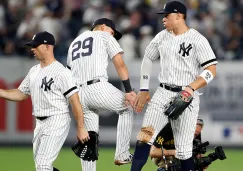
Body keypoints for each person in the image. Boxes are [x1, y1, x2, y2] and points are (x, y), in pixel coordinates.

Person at [131, 1, 217, 171]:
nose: (163, 19)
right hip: (163, 92)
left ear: (178, 16)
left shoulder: (197, 39)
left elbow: (211, 69)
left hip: (187, 97)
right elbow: (148, 57)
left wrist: (192, 87)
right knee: (144, 138)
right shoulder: (162, 36)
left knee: (184, 152)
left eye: (166, 15)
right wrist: (144, 88)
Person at [0, 31, 89, 171]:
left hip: (57, 119)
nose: (32, 49)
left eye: (36, 46)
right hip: (40, 123)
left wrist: (81, 128)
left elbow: (75, 101)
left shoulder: (61, 72)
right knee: (41, 166)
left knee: (43, 164)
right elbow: (20, 94)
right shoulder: (34, 71)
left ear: (47, 47)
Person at [66, 18, 136, 171]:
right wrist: (129, 91)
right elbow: (120, 64)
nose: (112, 35)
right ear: (103, 27)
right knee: (127, 107)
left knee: (89, 141)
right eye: (112, 32)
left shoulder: (74, 43)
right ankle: (122, 154)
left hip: (78, 94)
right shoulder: (104, 36)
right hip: (96, 86)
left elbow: (68, 74)